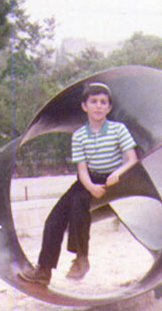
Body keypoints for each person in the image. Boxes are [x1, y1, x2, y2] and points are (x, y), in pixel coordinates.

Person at [19, 82, 138, 285]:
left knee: (78, 205)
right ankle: (44, 270)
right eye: (94, 101)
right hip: (88, 179)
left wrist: (117, 173)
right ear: (84, 106)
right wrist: (90, 186)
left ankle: (81, 258)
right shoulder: (79, 135)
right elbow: (82, 170)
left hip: (113, 179)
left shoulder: (118, 129)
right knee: (54, 218)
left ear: (109, 107)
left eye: (103, 102)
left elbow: (132, 159)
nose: (98, 106)